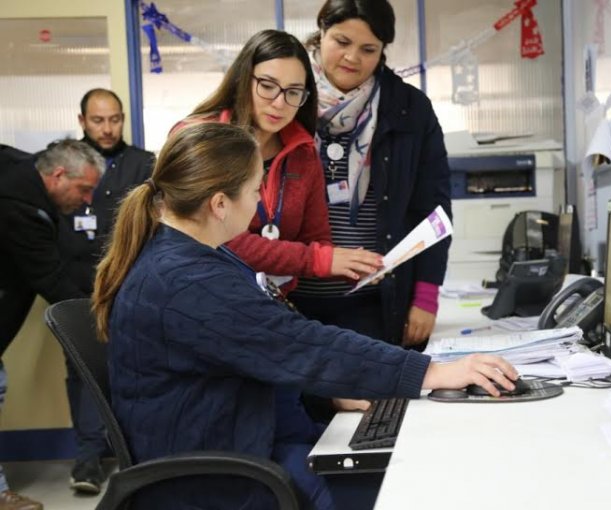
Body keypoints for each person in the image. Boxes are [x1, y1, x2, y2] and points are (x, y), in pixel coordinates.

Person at [92, 122, 517, 510]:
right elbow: (300, 343)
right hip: (224, 477)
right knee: (412, 485)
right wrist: (432, 373)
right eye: (256, 189)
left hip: (241, 438)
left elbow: (256, 349)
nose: (259, 204)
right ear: (220, 203)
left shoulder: (192, 259)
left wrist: (327, 396)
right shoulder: (187, 281)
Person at [291, 0, 452, 347]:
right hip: (290, 296)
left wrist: (426, 296)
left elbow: (433, 211)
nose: (352, 58)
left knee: (365, 396)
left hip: (373, 302)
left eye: (369, 49)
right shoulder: (286, 101)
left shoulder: (410, 109)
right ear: (321, 34)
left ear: (383, 51)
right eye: (342, 42)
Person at [176, 29, 383, 293]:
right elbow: (218, 237)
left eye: (293, 92)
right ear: (243, 79)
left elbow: (316, 240)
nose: (279, 103)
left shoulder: (304, 152)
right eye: (267, 86)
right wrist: (319, 260)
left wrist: (356, 266)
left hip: (267, 304)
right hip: (198, 296)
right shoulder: (198, 138)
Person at [55, 88, 156, 494]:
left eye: (115, 118)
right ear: (82, 121)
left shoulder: (142, 164)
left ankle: (142, 457)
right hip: (78, 288)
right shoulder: (63, 162)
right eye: (98, 120)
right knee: (83, 374)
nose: (108, 127)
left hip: (131, 288)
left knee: (137, 370)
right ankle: (88, 461)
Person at [0, 140, 105, 510]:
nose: (88, 199)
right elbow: (51, 281)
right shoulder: (24, 209)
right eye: (84, 189)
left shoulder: (19, 168)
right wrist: (99, 316)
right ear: (58, 175)